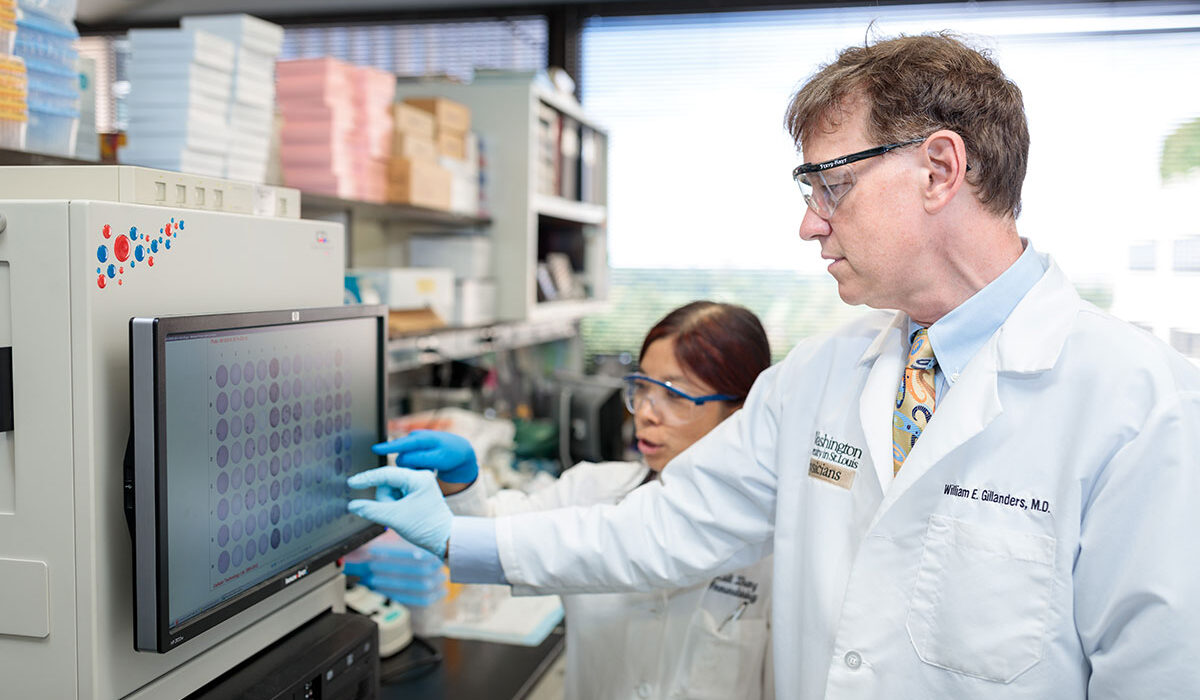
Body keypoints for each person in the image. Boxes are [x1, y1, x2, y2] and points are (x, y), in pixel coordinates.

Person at [348, 32, 1200, 698]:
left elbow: (1158, 680)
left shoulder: (1138, 404)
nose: (810, 225)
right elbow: (664, 525)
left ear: (940, 168)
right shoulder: (819, 379)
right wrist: (466, 538)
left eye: (831, 186)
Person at [358, 301, 775, 700]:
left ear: (741, 415)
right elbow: (494, 534)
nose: (646, 412)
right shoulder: (593, 489)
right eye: (643, 388)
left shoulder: (773, 538)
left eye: (676, 396)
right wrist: (459, 483)